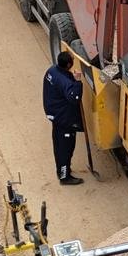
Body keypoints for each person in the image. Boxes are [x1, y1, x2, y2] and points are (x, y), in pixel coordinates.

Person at [42, 52, 83, 185]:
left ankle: (61, 170)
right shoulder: (64, 81)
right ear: (69, 64)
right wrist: (77, 82)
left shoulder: (52, 71)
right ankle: (65, 177)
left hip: (55, 115)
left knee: (58, 146)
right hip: (64, 119)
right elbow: (74, 98)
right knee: (66, 149)